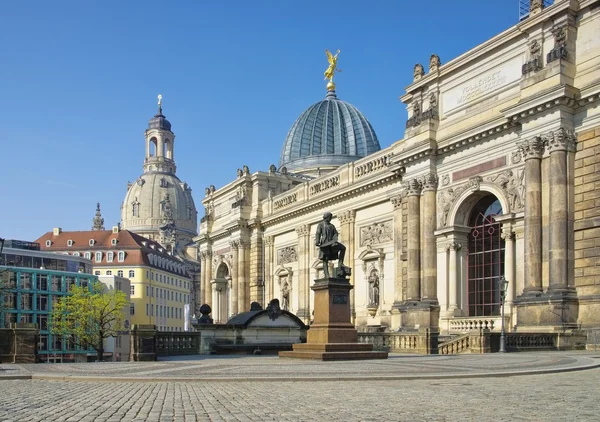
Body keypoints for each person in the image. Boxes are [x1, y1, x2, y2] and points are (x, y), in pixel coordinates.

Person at [315, 212, 347, 278]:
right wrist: (317, 241)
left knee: (343, 248)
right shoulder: (321, 224)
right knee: (325, 259)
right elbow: (318, 233)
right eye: (330, 217)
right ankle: (327, 275)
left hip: (332, 242)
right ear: (327, 217)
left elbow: (335, 233)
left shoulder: (331, 226)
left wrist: (335, 239)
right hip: (325, 243)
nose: (330, 219)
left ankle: (340, 263)